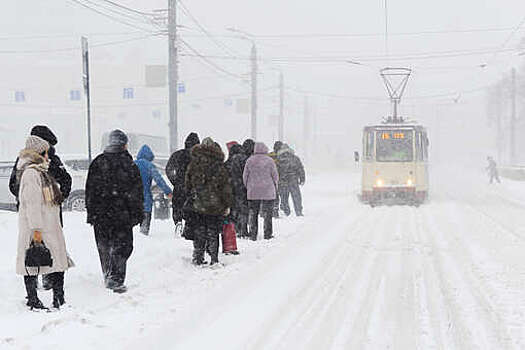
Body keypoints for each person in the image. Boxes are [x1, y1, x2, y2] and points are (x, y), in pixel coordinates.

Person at [9, 126, 72, 291]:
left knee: (48, 247)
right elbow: (15, 186)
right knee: (37, 248)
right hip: (35, 214)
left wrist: (56, 197)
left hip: (49, 212)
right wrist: (30, 199)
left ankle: (48, 278)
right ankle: (39, 285)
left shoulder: (51, 161)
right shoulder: (28, 165)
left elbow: (66, 181)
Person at [85, 130, 144, 293]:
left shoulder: (98, 163)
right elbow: (136, 193)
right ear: (125, 145)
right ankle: (116, 278)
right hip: (122, 215)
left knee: (104, 245)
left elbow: (89, 190)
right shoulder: (129, 165)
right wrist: (137, 214)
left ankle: (108, 273)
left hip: (101, 215)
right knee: (122, 246)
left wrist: (92, 213)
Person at [185, 137, 233, 266]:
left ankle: (198, 257)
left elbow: (188, 184)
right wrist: (227, 204)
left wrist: (191, 194)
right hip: (215, 204)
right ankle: (214, 259)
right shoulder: (219, 165)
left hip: (198, 203)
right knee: (213, 231)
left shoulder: (194, 164)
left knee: (199, 231)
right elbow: (225, 187)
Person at [243, 142, 279, 240]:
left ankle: (253, 233)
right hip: (268, 190)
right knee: (268, 214)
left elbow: (245, 176)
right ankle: (267, 234)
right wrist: (275, 186)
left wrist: (248, 186)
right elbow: (275, 176)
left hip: (253, 191)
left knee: (253, 213)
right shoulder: (270, 161)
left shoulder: (249, 160)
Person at [135, 145, 173, 235]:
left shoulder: (132, 164)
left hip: (132, 198)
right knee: (144, 226)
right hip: (145, 199)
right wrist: (168, 191)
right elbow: (159, 180)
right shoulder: (149, 166)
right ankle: (144, 236)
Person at [165, 133, 200, 227]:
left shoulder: (178, 154)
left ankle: (178, 222)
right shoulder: (198, 156)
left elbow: (168, 169)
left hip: (179, 186)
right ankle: (190, 224)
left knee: (177, 205)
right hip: (193, 187)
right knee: (191, 207)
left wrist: (175, 181)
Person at [230, 139, 254, 238]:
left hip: (234, 186)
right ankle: (243, 230)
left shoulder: (234, 158)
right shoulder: (247, 159)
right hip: (245, 186)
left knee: (236, 208)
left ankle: (237, 228)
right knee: (244, 209)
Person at [278, 144, 306, 216]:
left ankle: (286, 210)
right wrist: (302, 178)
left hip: (283, 180)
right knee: (296, 196)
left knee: (284, 196)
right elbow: (300, 168)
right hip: (293, 180)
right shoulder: (295, 158)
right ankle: (298, 210)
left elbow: (277, 170)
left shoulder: (279, 158)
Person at [268, 141, 283, 218]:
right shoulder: (281, 156)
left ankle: (267, 211)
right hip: (279, 178)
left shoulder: (269, 155)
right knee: (278, 196)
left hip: (269, 179)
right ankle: (276, 211)